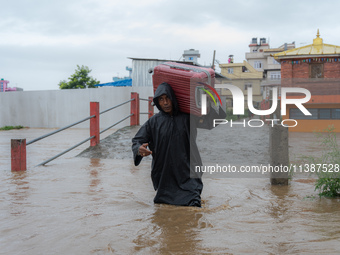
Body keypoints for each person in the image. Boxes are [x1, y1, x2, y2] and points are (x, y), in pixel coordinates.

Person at [132, 82, 203, 207]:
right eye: (161, 99)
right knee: (164, 212)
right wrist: (139, 149)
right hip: (165, 178)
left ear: (174, 98)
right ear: (157, 102)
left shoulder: (189, 118)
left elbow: (211, 121)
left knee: (194, 209)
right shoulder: (153, 122)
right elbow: (137, 140)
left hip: (188, 176)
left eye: (167, 98)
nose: (165, 103)